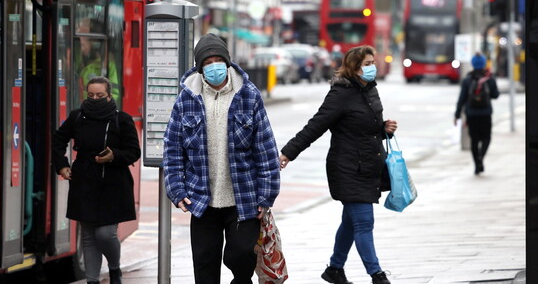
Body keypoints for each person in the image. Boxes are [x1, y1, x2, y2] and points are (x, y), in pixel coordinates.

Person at [163, 33, 281, 284]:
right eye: (208, 62)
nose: (214, 65)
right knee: (204, 265)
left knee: (239, 255)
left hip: (244, 198)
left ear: (227, 63)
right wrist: (176, 188)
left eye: (219, 60)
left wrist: (267, 194)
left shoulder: (248, 95)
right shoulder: (186, 98)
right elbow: (173, 149)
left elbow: (266, 148)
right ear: (200, 67)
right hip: (202, 199)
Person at [278, 45, 398, 284]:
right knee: (364, 222)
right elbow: (316, 125)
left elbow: (366, 126)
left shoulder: (370, 90)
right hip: (348, 168)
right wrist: (288, 153)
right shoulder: (341, 93)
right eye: (367, 64)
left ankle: (334, 269)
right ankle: (377, 275)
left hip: (369, 166)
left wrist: (383, 128)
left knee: (350, 222)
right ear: (354, 67)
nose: (372, 67)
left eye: (372, 62)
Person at [52, 76, 140, 284]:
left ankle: (114, 268)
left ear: (109, 96)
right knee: (89, 236)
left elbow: (134, 152)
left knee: (106, 234)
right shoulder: (77, 117)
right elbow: (58, 139)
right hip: (84, 182)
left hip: (114, 184)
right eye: (90, 95)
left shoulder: (123, 119)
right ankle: (92, 280)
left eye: (100, 95)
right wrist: (62, 165)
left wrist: (114, 156)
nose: (94, 99)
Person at [454, 53, 498, 175]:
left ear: (472, 64)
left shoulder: (467, 79)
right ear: (484, 63)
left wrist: (457, 115)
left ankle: (477, 164)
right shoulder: (489, 77)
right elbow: (496, 95)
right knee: (486, 138)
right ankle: (480, 158)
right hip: (486, 113)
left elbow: (462, 99)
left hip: (471, 114)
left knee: (474, 139)